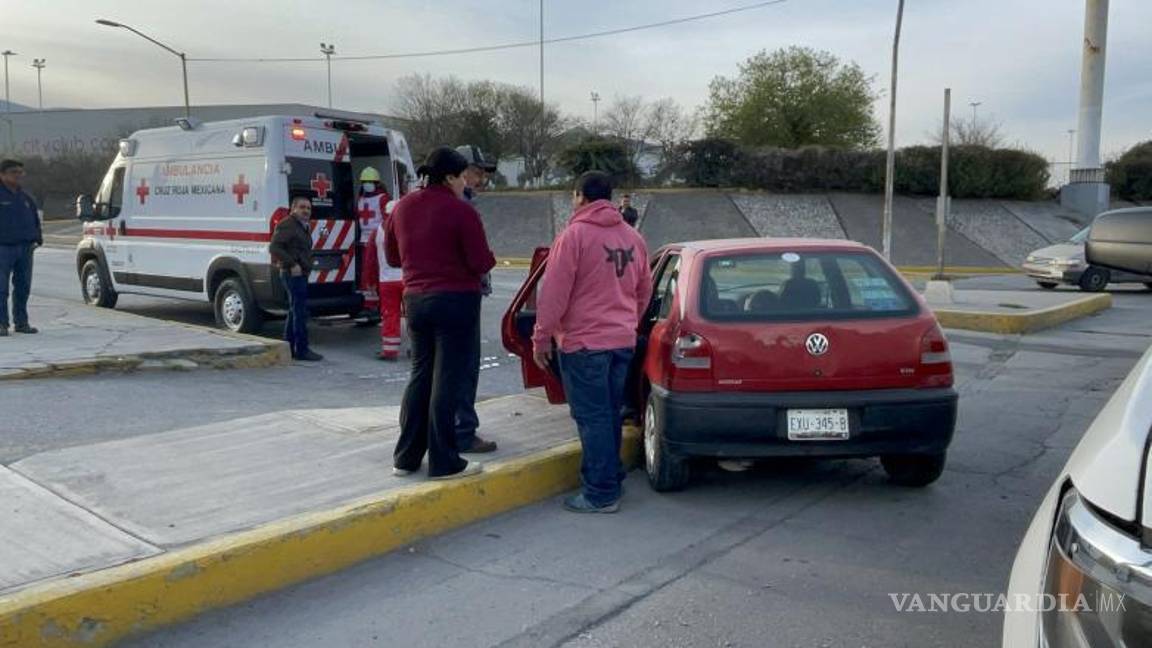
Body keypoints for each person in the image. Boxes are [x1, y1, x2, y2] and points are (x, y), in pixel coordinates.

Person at [533, 171, 652, 513]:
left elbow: (553, 295)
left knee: (593, 417)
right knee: (609, 413)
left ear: (581, 196)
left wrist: (541, 337)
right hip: (621, 342)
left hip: (584, 344)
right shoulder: (633, 238)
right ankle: (611, 474)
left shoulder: (573, 237)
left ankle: (600, 492)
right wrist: (626, 322)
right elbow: (643, 292)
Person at [385, 147, 496, 480]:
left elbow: (393, 256)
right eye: (463, 177)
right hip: (455, 300)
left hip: (416, 300)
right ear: (449, 177)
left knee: (420, 375)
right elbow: (480, 262)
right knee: (447, 379)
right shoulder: (461, 212)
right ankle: (445, 460)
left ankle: (405, 457)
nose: (466, 183)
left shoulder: (402, 208)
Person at [452, 145, 499, 453]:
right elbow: (477, 257)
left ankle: (446, 426)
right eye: (477, 171)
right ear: (461, 172)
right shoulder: (461, 206)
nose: (482, 177)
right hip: (461, 295)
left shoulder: (422, 202)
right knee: (464, 365)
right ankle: (462, 430)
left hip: (431, 296)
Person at [269, 196, 323, 361]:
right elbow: (274, 247)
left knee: (294, 311)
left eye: (308, 208)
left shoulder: (302, 226)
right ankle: (302, 350)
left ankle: (288, 347)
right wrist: (292, 264)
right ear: (293, 209)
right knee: (299, 312)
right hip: (292, 274)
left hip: (301, 274)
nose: (306, 210)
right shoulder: (287, 224)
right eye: (302, 207)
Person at [0, 159, 42, 337]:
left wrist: (37, 239)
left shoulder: (25, 197)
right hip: (3, 248)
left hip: (25, 248)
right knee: (1, 289)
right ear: (2, 174)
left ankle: (21, 322)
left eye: (20, 172)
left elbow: (34, 219)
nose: (18, 175)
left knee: (23, 287)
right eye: (13, 172)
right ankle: (2, 324)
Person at [366, 207, 404, 360]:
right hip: (408, 279)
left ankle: (390, 351)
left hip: (387, 281)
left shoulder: (377, 232)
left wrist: (370, 281)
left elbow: (370, 261)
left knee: (390, 314)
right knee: (414, 315)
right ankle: (419, 350)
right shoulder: (409, 228)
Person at [356, 167, 391, 318]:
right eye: (364, 182)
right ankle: (370, 304)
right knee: (366, 275)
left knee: (377, 273)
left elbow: (388, 220)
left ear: (377, 183)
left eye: (370, 182)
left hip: (378, 241)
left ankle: (380, 305)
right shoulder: (361, 199)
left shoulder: (383, 198)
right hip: (364, 241)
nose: (367, 184)